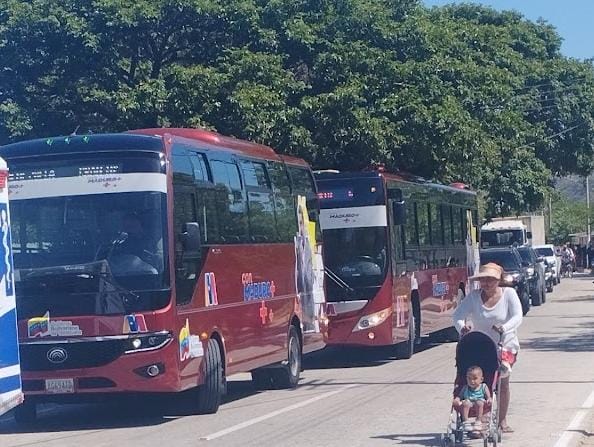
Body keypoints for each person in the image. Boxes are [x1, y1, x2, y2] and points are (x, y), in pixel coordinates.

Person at [453, 262, 523, 433]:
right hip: (481, 345)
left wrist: (504, 328)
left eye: (490, 280)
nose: (487, 283)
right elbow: (458, 315)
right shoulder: (474, 296)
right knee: (479, 379)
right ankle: (480, 417)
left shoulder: (509, 294)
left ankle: (502, 420)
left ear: (498, 280)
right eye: (483, 280)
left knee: (501, 380)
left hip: (504, 344)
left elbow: (517, 316)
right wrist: (462, 327)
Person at [453, 365, 492, 430]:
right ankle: (465, 421)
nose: (472, 381)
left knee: (479, 402)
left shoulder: (483, 387)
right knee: (466, 403)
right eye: (469, 378)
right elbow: (459, 396)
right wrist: (457, 399)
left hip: (480, 403)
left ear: (481, 379)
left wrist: (489, 399)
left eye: (475, 378)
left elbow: (488, 396)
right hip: (469, 403)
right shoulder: (465, 387)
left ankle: (478, 421)